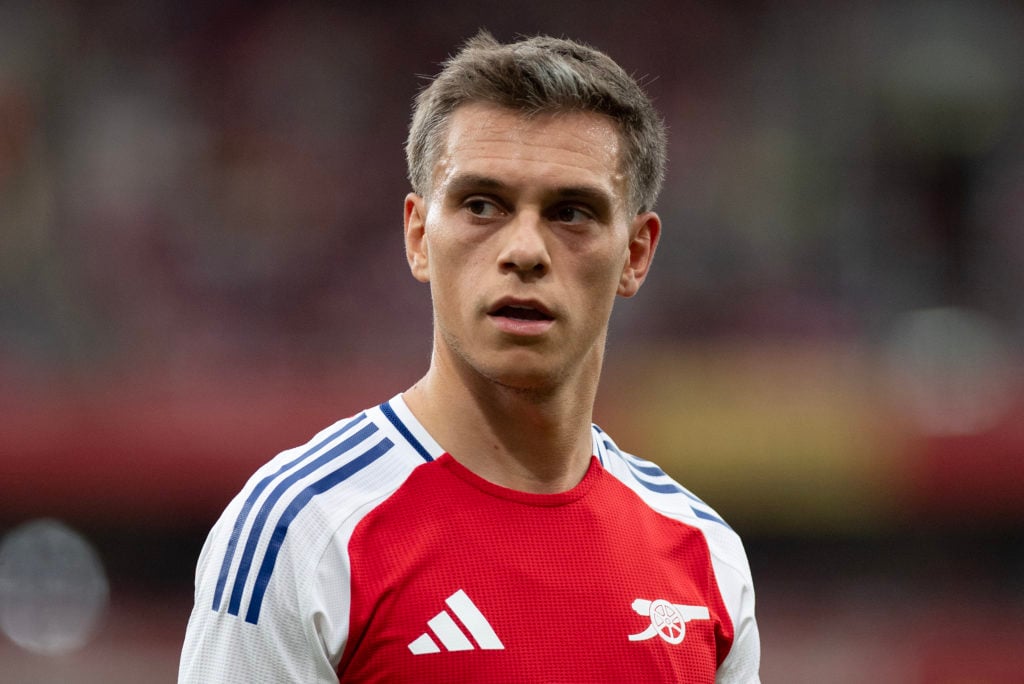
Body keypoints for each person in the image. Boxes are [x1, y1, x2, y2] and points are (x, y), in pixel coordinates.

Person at [179, 30, 760, 683]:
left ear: (635, 254)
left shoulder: (707, 557)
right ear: (419, 235)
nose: (525, 251)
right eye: (482, 205)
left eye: (572, 212)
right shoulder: (301, 532)